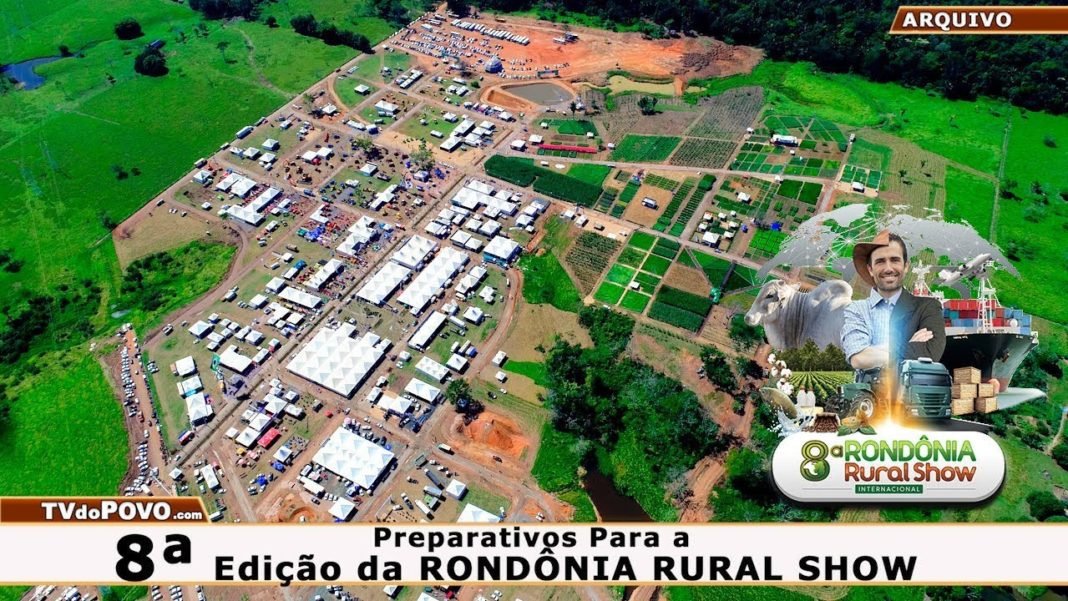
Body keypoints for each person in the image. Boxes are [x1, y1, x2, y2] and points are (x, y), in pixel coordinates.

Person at [841, 230, 946, 371]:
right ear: (870, 269)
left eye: (894, 260)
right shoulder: (856, 310)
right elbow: (859, 359)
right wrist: (908, 346)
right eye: (880, 261)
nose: (888, 268)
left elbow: (929, 353)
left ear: (906, 266)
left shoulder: (928, 307)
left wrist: (877, 353)